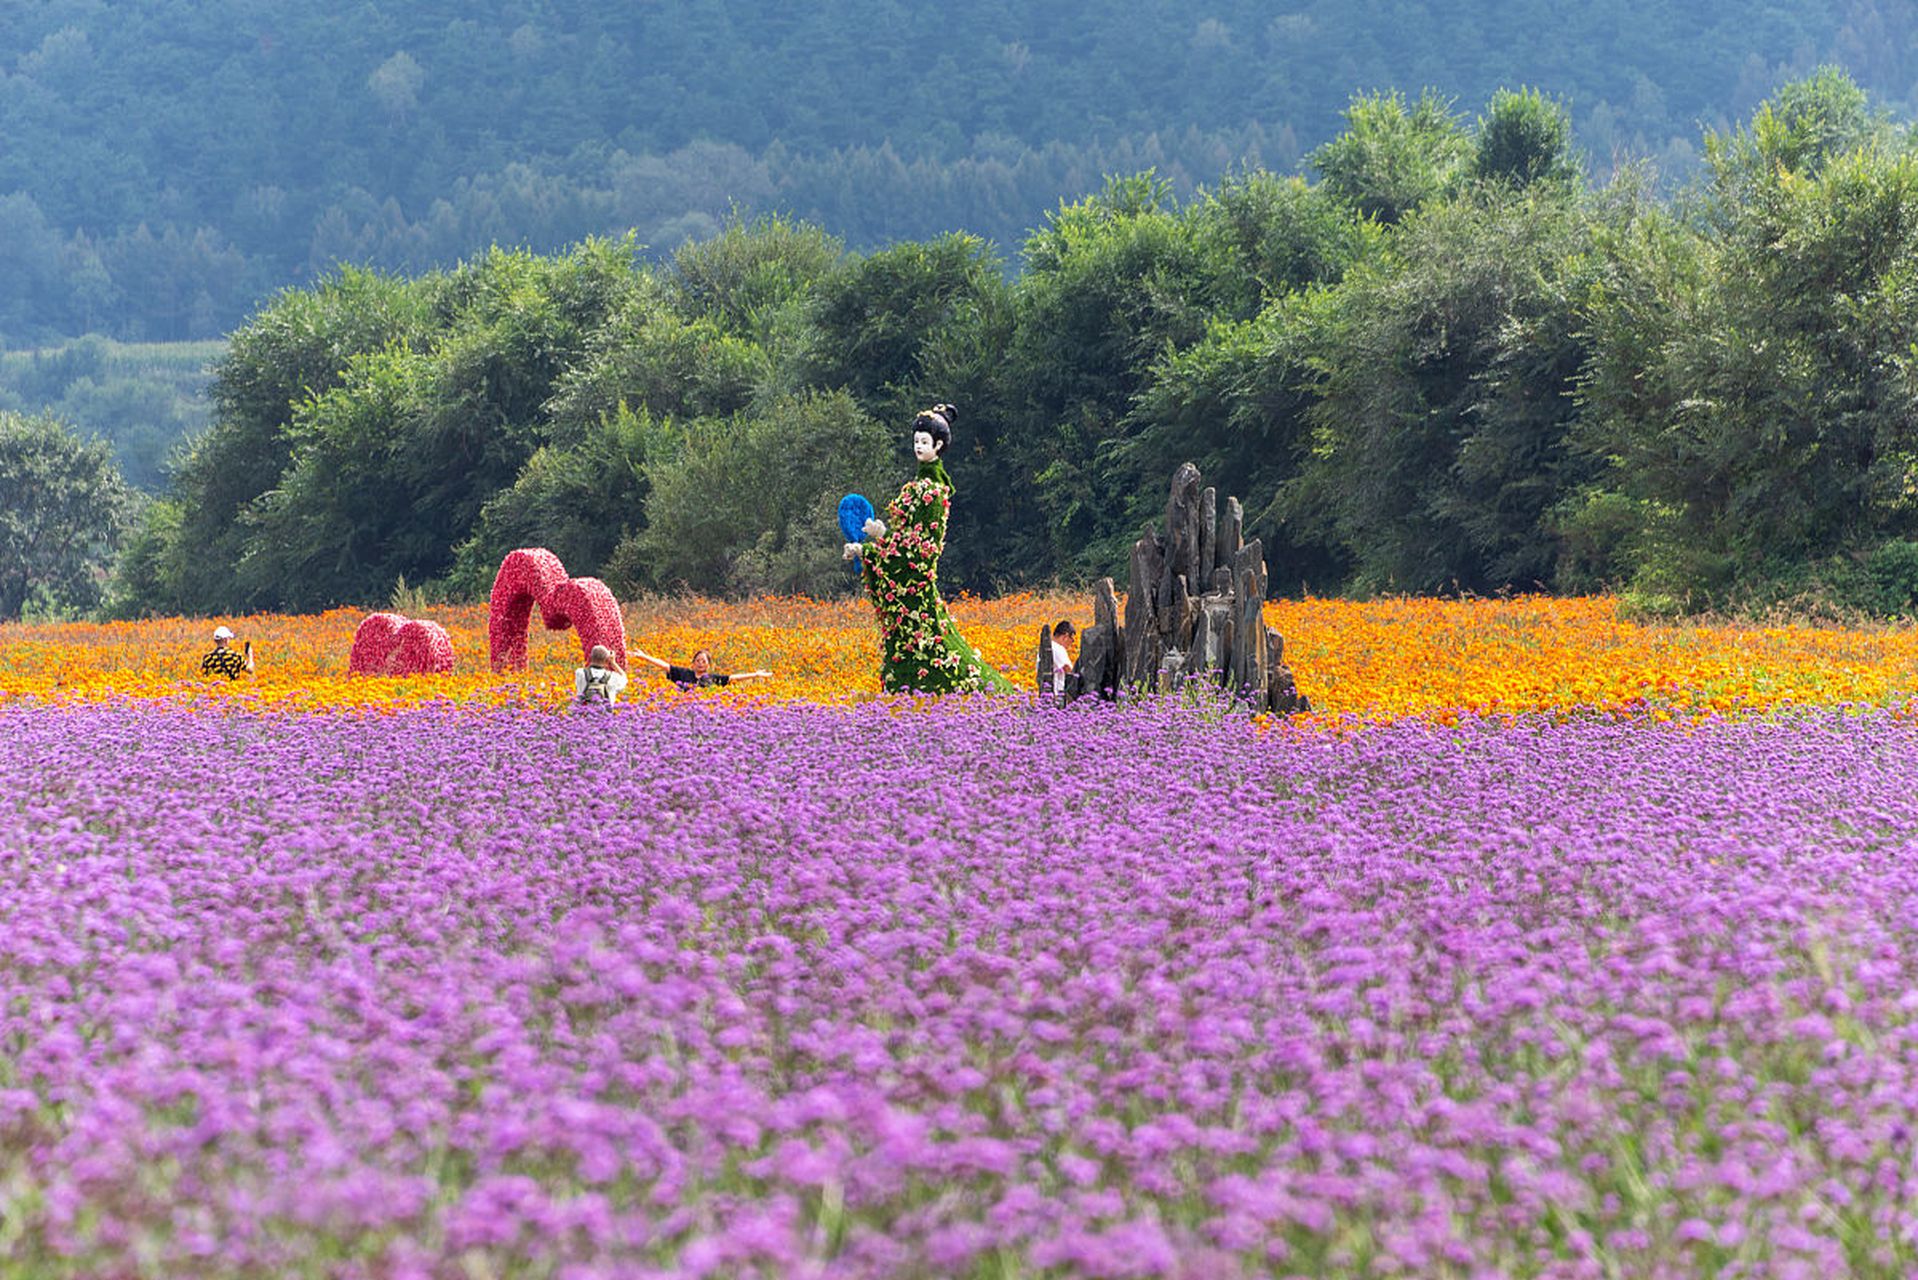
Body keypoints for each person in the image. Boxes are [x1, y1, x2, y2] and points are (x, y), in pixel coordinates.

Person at [844, 403, 1015, 695]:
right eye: (916, 441)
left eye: (925, 442)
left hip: (916, 584)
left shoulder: (931, 491)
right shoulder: (920, 485)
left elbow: (919, 552)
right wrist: (881, 533)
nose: (919, 446)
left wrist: (868, 549)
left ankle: (975, 695)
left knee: (933, 650)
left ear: (938, 445)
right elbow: (907, 537)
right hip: (909, 579)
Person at [628, 646, 772, 690]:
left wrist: (756, 674)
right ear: (693, 663)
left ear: (708, 665)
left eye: (703, 661)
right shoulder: (684, 673)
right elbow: (664, 665)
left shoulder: (712, 678)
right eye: (698, 660)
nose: (700, 663)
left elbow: (733, 678)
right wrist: (644, 657)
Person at [1049, 620, 1076, 695]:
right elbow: (1069, 670)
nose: (1071, 644)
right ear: (1065, 637)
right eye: (1072, 640)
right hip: (1057, 693)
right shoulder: (1058, 649)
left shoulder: (1047, 647)